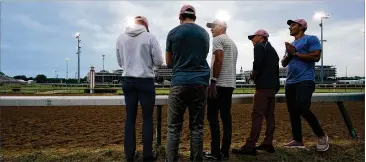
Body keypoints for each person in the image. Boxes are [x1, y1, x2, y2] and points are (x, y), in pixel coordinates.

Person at [165, 4, 210, 162]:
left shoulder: (173, 33)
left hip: (179, 82)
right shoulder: (204, 34)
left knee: (173, 127)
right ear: (194, 17)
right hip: (200, 83)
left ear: (180, 17)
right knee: (197, 127)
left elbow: (168, 62)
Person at [116, 16, 164, 161]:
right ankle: (148, 155)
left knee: (130, 118)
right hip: (146, 81)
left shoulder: (121, 38)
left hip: (128, 81)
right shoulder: (150, 37)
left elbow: (120, 62)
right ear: (145, 25)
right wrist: (151, 68)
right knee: (147, 118)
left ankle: (129, 155)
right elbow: (159, 61)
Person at [281, 18, 329, 152]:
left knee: (302, 106)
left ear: (301, 27)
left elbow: (316, 57)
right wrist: (290, 53)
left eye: (293, 25)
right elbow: (284, 63)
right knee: (293, 112)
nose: (290, 27)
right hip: (290, 81)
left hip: (305, 80)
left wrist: (295, 53)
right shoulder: (291, 44)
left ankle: (321, 136)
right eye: (289, 25)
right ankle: (297, 140)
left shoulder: (311, 39)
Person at [232, 29, 280, 156]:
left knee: (257, 115)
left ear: (261, 37)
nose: (252, 40)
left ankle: (250, 145)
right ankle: (268, 142)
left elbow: (257, 64)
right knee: (270, 115)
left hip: (263, 87)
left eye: (254, 37)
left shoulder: (259, 47)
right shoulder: (273, 50)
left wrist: (252, 76)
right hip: (272, 88)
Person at [203, 19, 238, 161]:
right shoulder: (233, 43)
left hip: (218, 84)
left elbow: (218, 60)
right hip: (229, 84)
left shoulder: (218, 39)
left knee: (212, 117)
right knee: (226, 117)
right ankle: (225, 151)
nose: (211, 30)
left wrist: (213, 81)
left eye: (213, 27)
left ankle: (215, 152)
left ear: (222, 28)